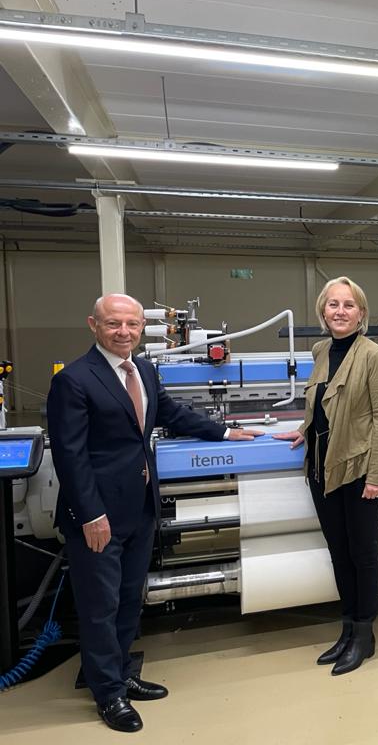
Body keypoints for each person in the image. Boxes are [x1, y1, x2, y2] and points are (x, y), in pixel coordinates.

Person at [47, 294, 262, 733]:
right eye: (113, 324)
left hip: (141, 507)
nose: (123, 332)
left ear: (141, 327)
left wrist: (224, 431)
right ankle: (108, 694)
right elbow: (69, 456)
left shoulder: (143, 370)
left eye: (131, 324)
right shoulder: (74, 379)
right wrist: (90, 515)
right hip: (98, 516)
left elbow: (171, 413)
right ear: (93, 325)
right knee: (100, 606)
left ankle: (123, 673)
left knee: (130, 598)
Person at [274, 276, 378, 674]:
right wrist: (305, 429)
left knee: (363, 553)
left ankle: (364, 634)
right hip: (322, 467)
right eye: (333, 304)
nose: (340, 311)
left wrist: (377, 476)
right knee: (339, 553)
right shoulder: (320, 350)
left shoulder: (376, 356)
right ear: (322, 312)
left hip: (361, 468)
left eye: (348, 305)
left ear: (361, 314)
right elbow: (322, 403)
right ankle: (347, 629)